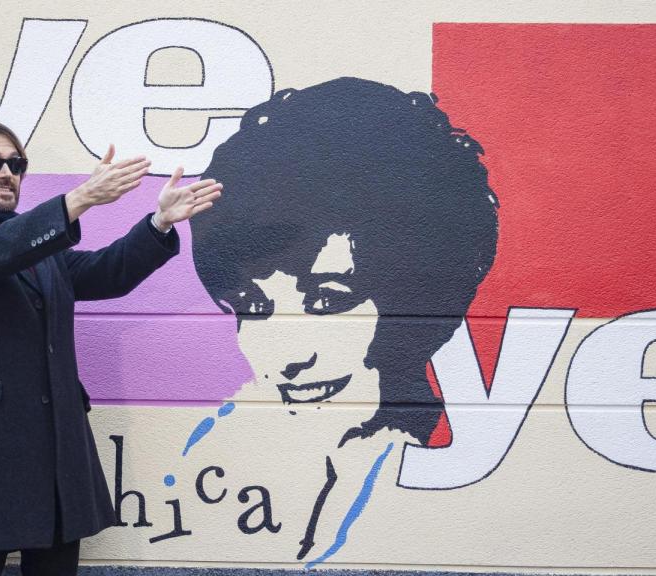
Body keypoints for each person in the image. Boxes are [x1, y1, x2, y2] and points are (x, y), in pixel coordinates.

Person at [0, 116, 221, 575]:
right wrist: (80, 199)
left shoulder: (40, 246)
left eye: (17, 164)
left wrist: (159, 223)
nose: (8, 173)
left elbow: (108, 273)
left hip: (54, 446)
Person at [190, 77, 499, 560]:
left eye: (330, 300)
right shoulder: (212, 447)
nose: (288, 357)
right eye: (253, 306)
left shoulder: (434, 464)